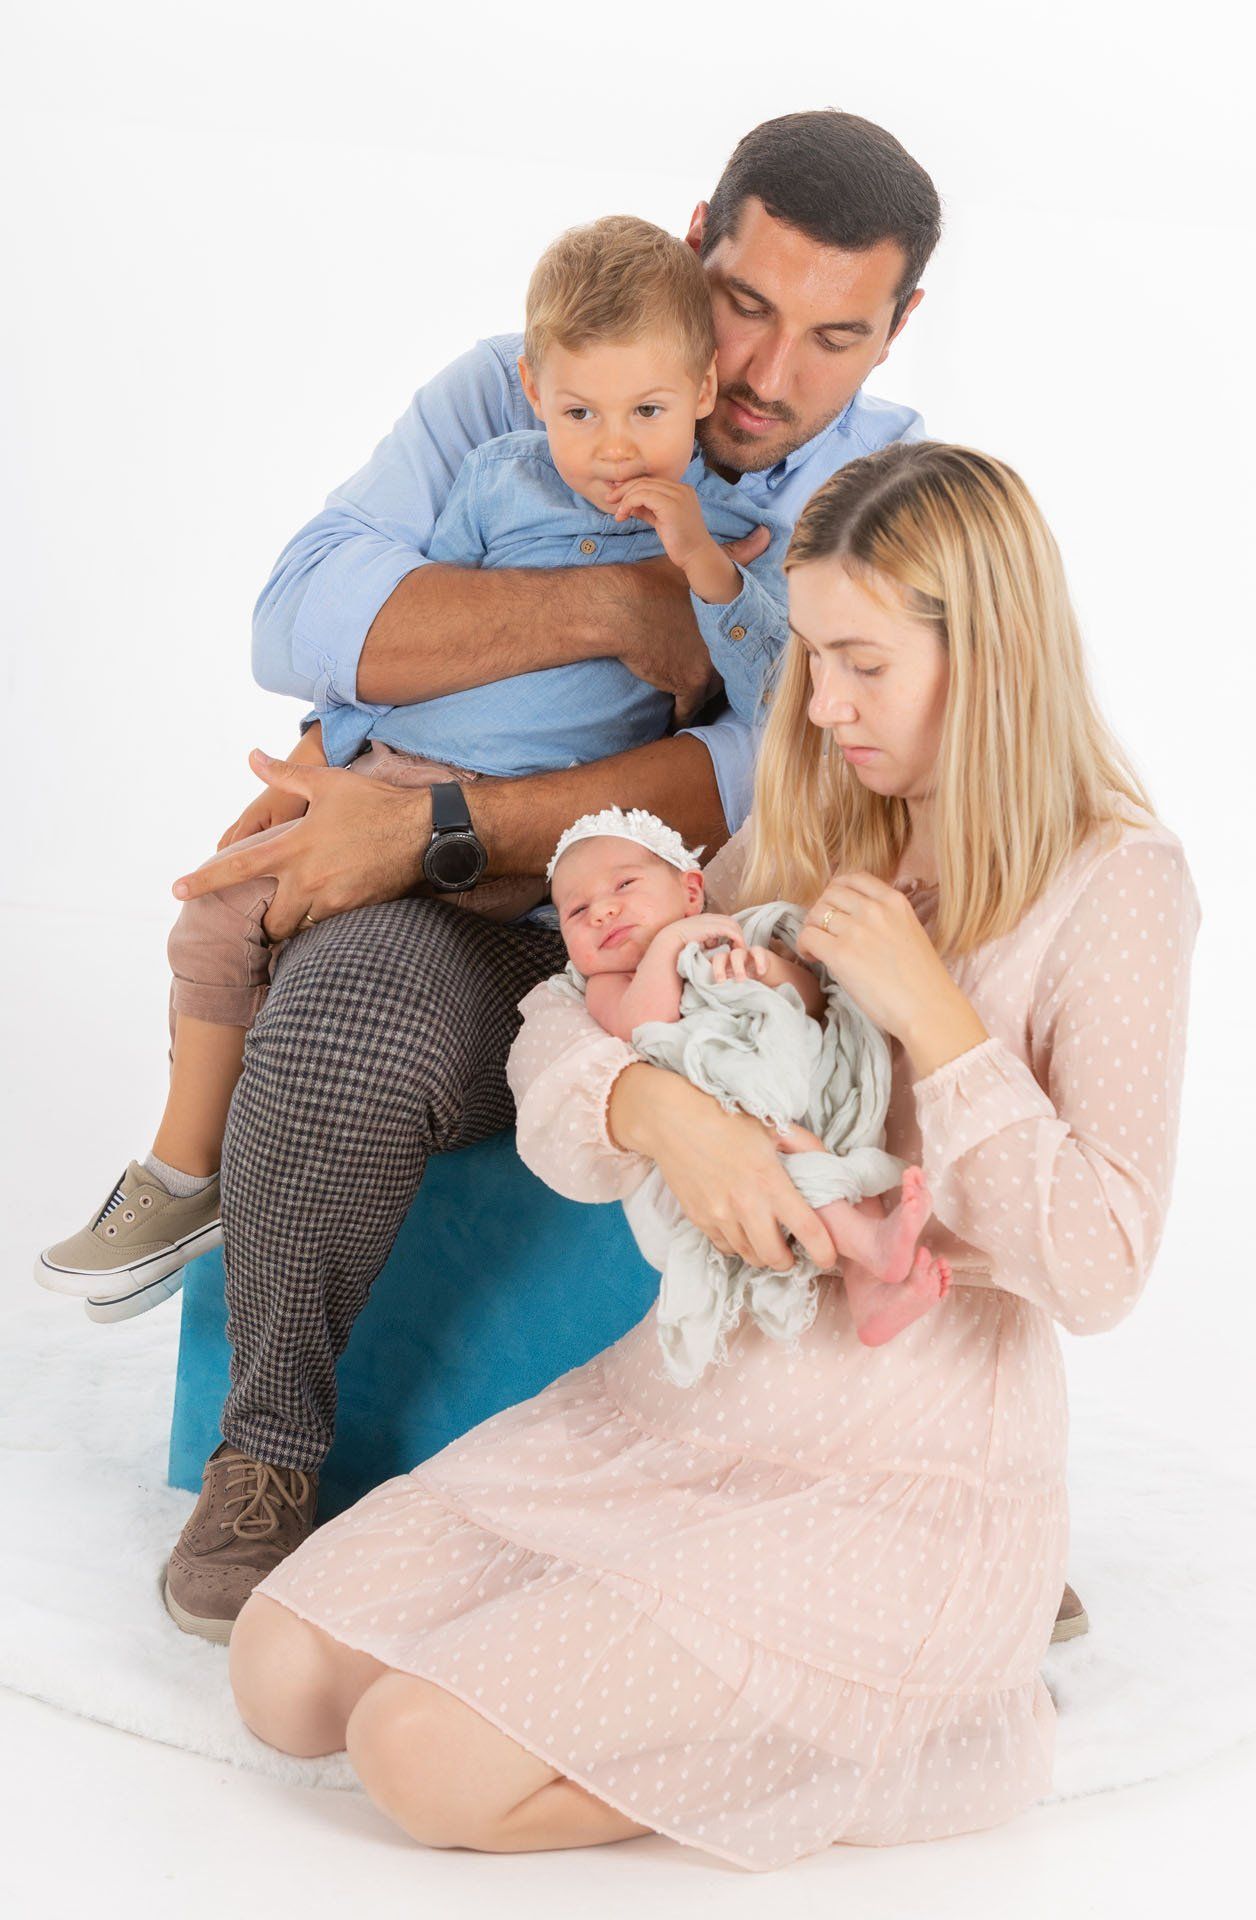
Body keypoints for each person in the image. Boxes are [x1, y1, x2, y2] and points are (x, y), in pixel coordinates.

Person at [227, 440, 1198, 1869]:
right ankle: (703, 1677)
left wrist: (936, 1021)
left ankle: (889, 1717)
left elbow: (1102, 1268)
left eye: (865, 664)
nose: (826, 705)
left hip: (896, 1476)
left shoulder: (1117, 882)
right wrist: (653, 1110)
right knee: (281, 1675)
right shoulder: (811, 827)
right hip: (672, 1411)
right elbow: (563, 1012)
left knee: (418, 1762)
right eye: (812, 659)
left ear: (990, 655)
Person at [147, 109, 964, 1643]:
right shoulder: (518, 387)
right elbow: (301, 620)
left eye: (834, 336)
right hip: (467, 922)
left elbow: (773, 762)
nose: (765, 373)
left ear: (899, 326)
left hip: (716, 930)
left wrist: (438, 814)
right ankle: (265, 1455)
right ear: (697, 239)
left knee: (906, 1048)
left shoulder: (890, 491)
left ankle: (910, 1476)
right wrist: (615, 604)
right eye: (744, 306)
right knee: (334, 1028)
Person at [34, 214, 789, 1323]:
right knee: (222, 911)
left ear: (702, 390)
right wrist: (323, 746)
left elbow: (776, 700)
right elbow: (415, 639)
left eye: (648, 413)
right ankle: (185, 1173)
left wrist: (704, 572)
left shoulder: (728, 532)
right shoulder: (498, 483)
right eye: (579, 414)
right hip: (396, 766)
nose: (614, 449)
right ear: (532, 391)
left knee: (363, 954)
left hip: (541, 835)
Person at [545, 804, 951, 1363]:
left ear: (691, 892)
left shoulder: (732, 940)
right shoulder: (606, 985)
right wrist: (669, 946)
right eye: (577, 910)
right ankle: (867, 1243)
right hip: (723, 1129)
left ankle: (870, 1294)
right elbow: (646, 1026)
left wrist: (768, 971)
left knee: (842, 1145)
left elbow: (812, 1002)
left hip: (790, 1086)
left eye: (624, 885)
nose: (603, 911)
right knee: (790, 1151)